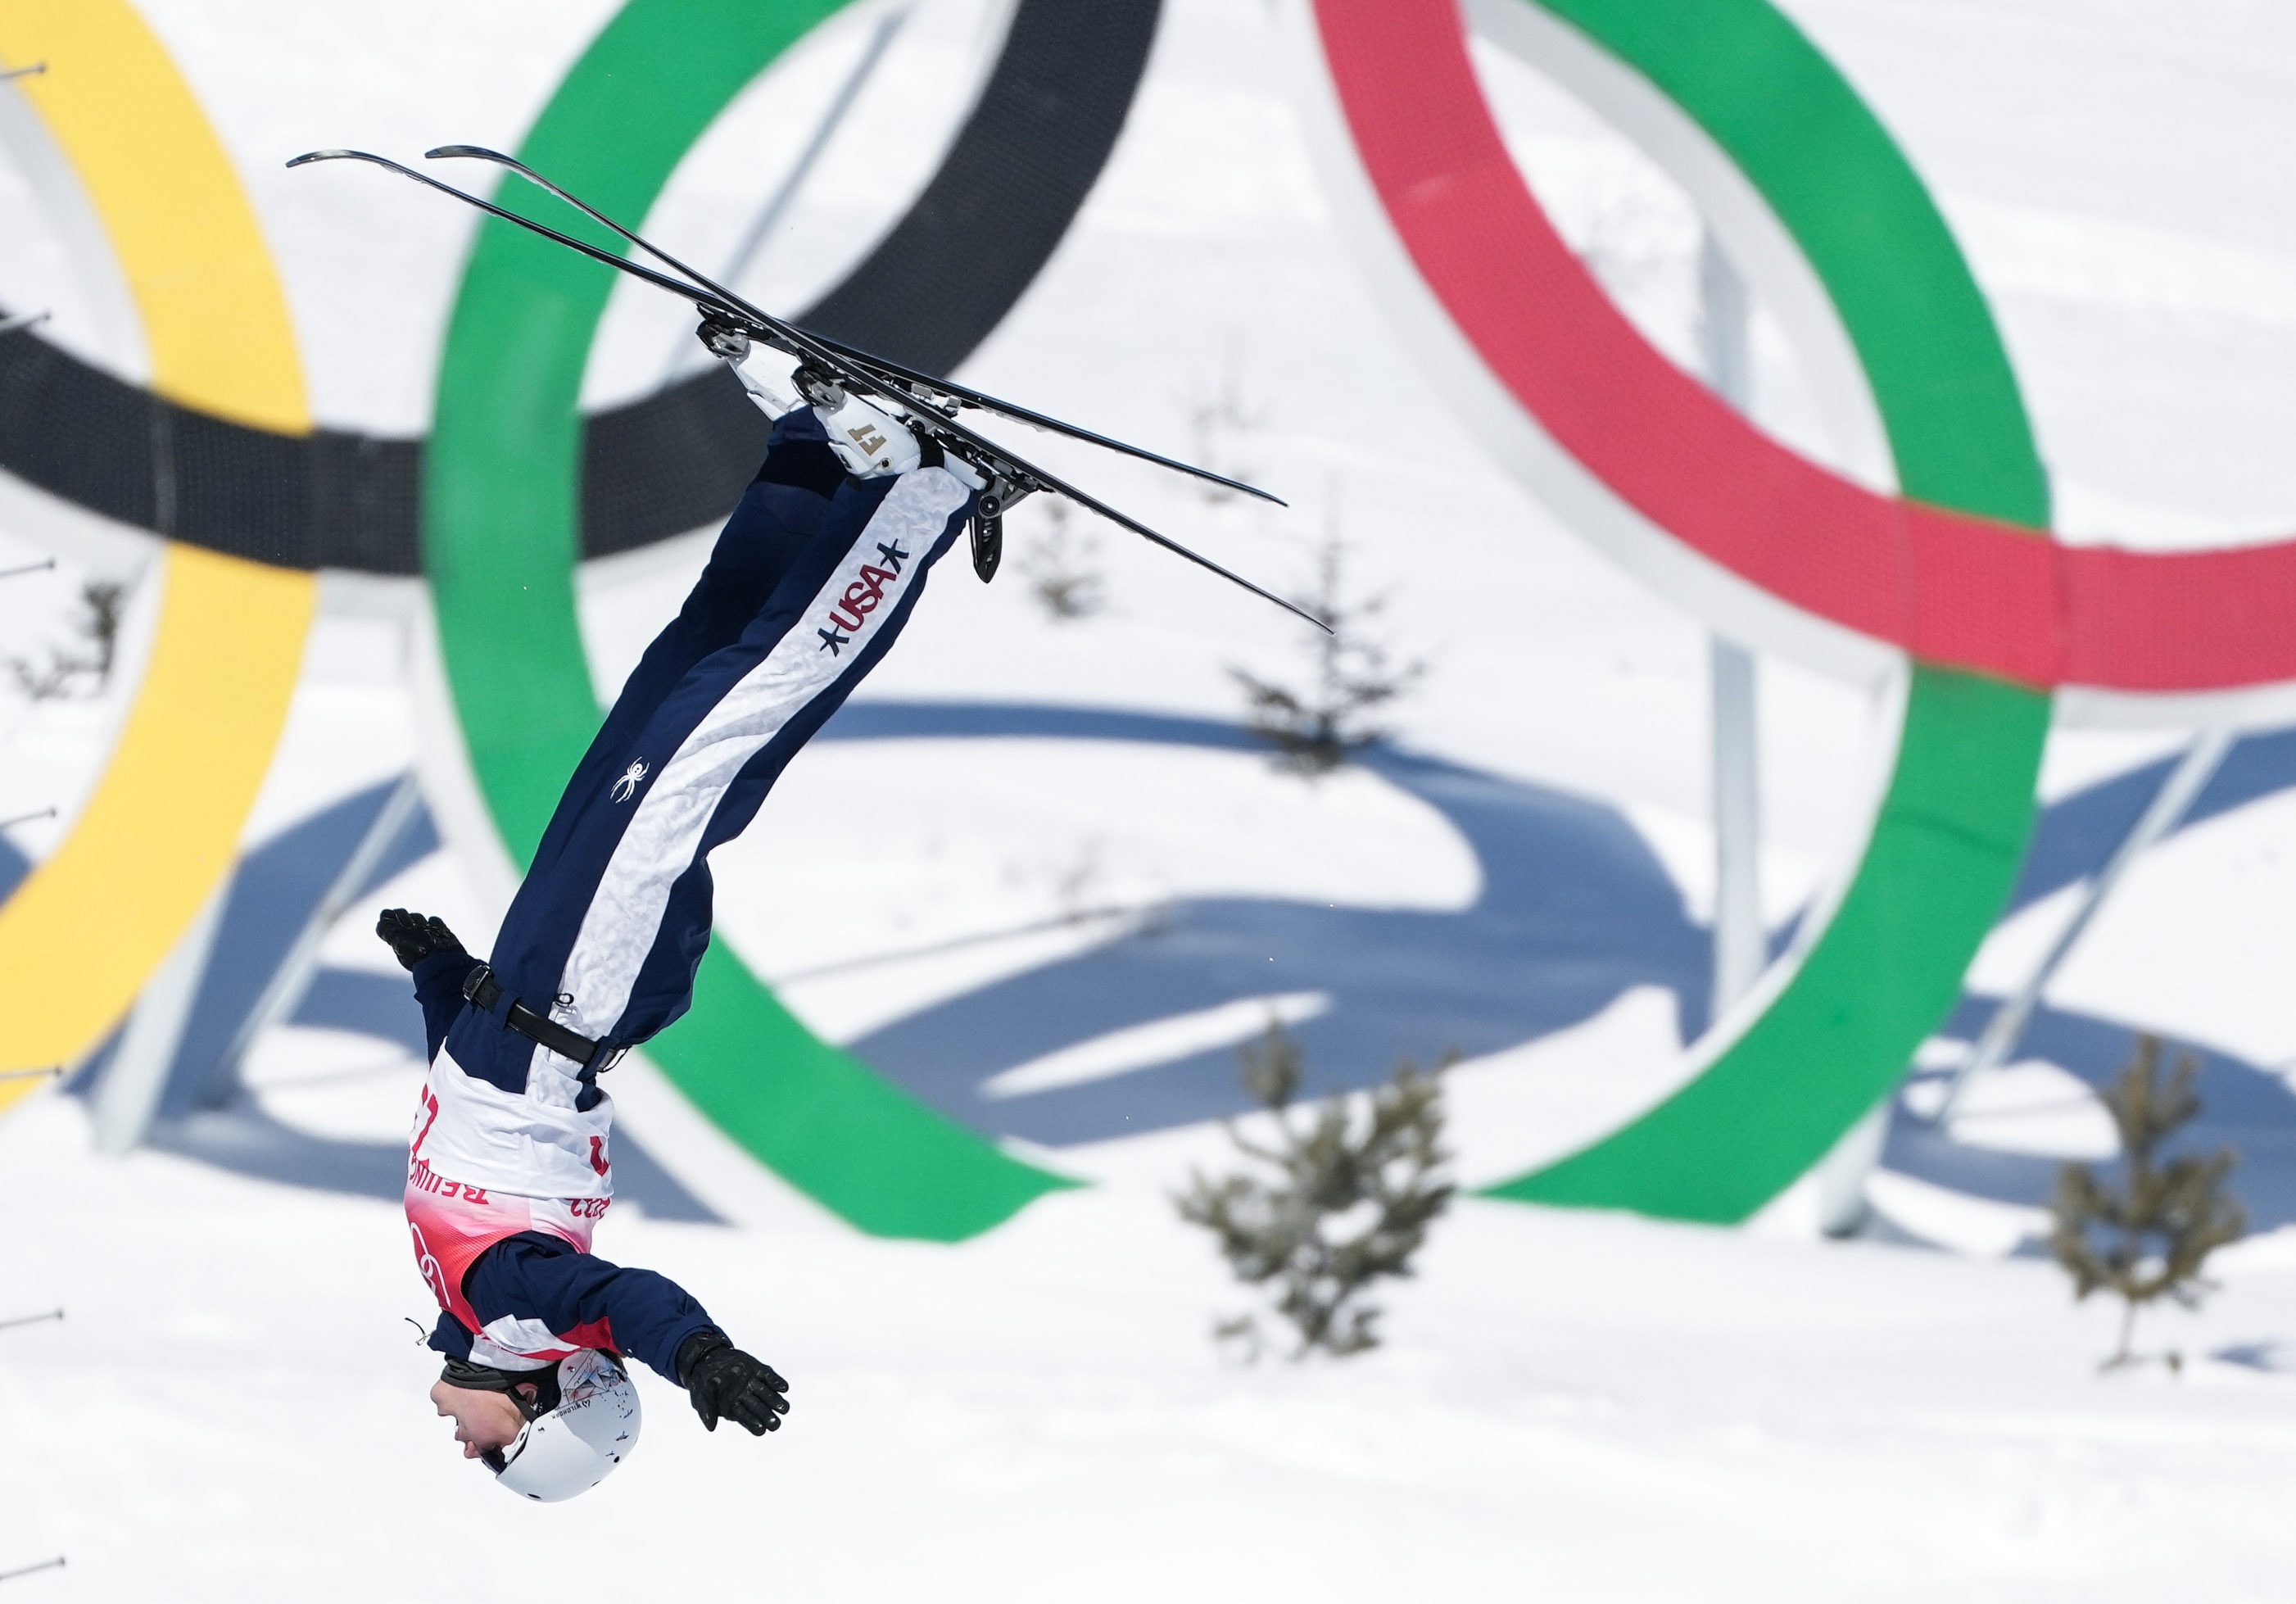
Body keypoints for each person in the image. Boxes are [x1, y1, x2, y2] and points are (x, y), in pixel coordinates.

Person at [383, 333, 980, 1500]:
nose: (467, 1446)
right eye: (500, 1451)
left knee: (676, 685)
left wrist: (437, 979)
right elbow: (620, 1303)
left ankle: (817, 451)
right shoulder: (526, 1308)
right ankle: (921, 494)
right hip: (573, 991)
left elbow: (467, 1127)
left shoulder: (462, 1295)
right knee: (719, 733)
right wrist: (694, 1353)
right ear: (541, 1403)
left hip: (525, 991)